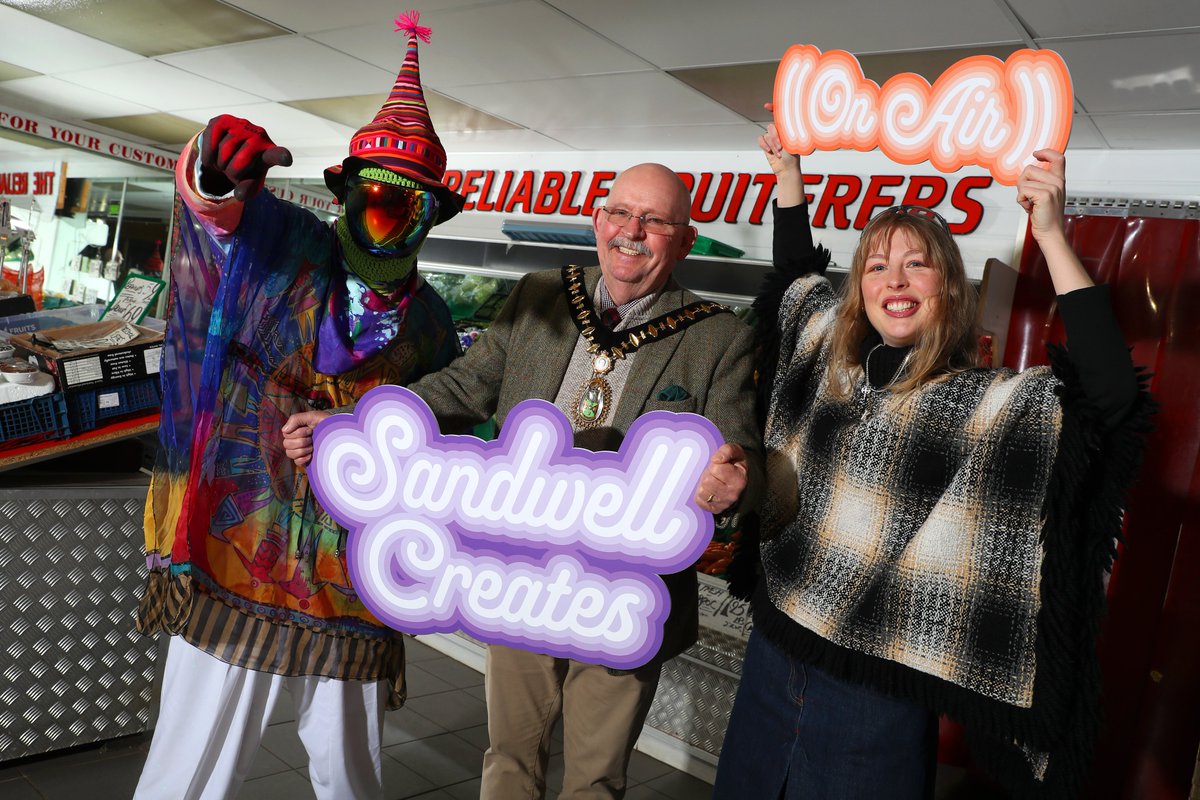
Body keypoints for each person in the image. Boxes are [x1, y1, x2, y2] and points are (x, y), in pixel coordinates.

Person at [283, 162, 765, 799]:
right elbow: (461, 389)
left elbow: (742, 457)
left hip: (628, 594)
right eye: (621, 213)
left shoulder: (719, 337)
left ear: (684, 238)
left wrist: (736, 482)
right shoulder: (539, 293)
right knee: (508, 757)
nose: (632, 231)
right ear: (598, 221)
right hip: (516, 576)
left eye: (655, 221)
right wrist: (354, 426)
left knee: (596, 779)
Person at [712, 125, 1151, 800]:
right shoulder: (829, 360)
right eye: (877, 264)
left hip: (875, 692)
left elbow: (1110, 396)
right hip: (774, 655)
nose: (895, 278)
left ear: (947, 286)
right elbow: (796, 281)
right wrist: (788, 174)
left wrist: (1053, 235)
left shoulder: (982, 403)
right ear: (859, 287)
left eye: (917, 264)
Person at [133, 13, 463, 800]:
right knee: (193, 768)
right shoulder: (284, 242)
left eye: (406, 207)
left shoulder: (432, 323)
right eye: (374, 198)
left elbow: (449, 430)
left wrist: (368, 434)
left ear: (431, 218)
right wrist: (213, 166)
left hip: (352, 575)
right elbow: (217, 213)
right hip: (238, 548)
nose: (386, 220)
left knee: (350, 775)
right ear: (346, 193)